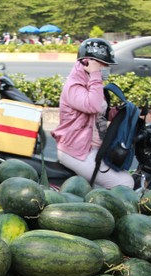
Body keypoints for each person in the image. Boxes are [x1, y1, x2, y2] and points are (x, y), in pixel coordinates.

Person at [51, 37, 134, 189]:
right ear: (88, 62)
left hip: (93, 149)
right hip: (76, 152)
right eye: (104, 64)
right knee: (125, 183)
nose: (106, 68)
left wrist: (118, 112)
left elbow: (99, 113)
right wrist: (95, 74)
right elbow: (93, 106)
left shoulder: (90, 83)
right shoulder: (74, 86)